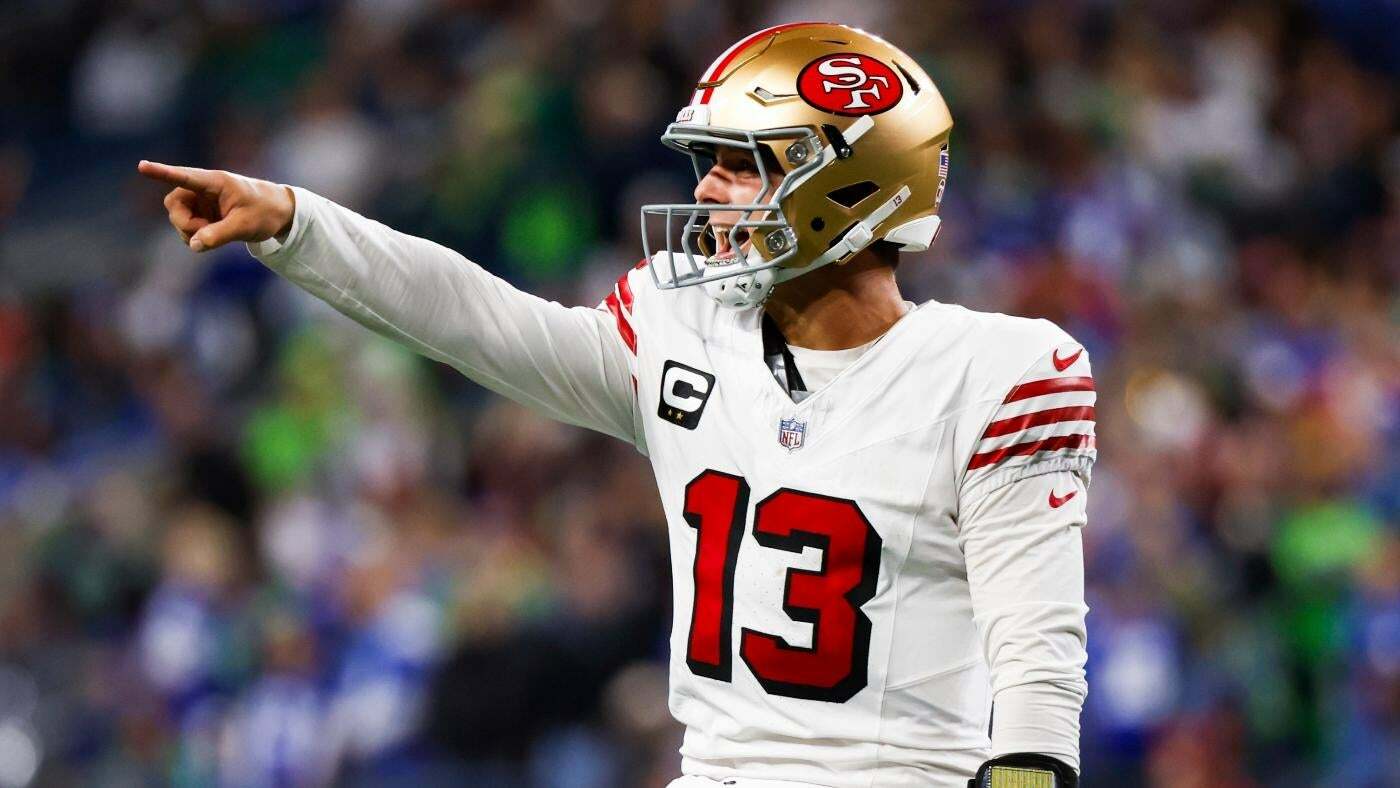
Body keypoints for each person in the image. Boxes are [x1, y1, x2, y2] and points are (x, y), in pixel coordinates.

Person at [140, 22, 1094, 788]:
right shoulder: (688, 327)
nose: (707, 188)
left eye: (742, 162)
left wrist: (1028, 772)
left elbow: (1035, 647)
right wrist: (299, 224)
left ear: (848, 186)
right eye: (709, 161)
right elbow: (477, 319)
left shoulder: (997, 373)